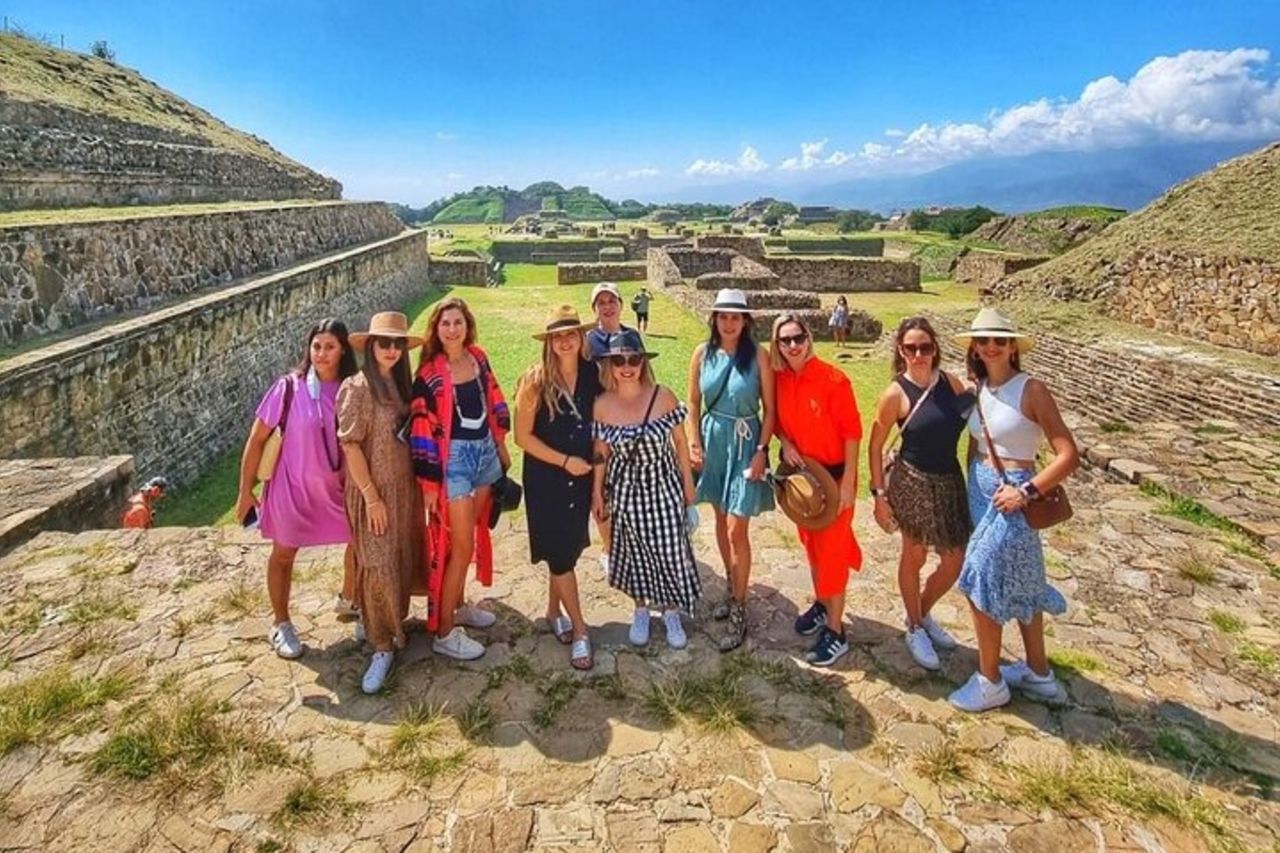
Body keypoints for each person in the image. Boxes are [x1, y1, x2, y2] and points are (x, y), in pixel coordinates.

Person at [948, 308, 1080, 712]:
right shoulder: (980, 387)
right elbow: (977, 445)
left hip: (1014, 494)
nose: (991, 347)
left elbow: (1068, 454)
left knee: (979, 578)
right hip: (981, 490)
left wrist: (1026, 492)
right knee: (1023, 578)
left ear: (1012, 347)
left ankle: (990, 680)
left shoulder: (1031, 390)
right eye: (983, 340)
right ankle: (1039, 673)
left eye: (999, 340)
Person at [236, 318, 358, 659]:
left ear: (343, 350)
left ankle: (350, 599)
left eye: (329, 346)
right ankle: (281, 622)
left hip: (336, 490)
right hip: (292, 489)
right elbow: (257, 439)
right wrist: (245, 491)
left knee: (360, 544)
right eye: (316, 346)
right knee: (284, 554)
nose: (321, 353)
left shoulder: (352, 388)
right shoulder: (289, 388)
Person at [867, 317, 975, 671]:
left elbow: (971, 416)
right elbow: (876, 443)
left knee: (954, 558)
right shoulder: (895, 394)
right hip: (912, 480)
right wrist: (879, 495)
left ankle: (922, 611)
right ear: (900, 350)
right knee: (913, 554)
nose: (918, 354)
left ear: (935, 349)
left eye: (924, 347)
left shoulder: (951, 383)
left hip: (948, 480)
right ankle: (914, 625)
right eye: (910, 348)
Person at [410, 297, 512, 661]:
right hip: (452, 463)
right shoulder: (429, 376)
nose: (452, 329)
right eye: (445, 323)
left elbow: (493, 400)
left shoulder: (478, 357)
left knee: (471, 535)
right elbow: (422, 430)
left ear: (467, 326)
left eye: (458, 322)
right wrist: (429, 484)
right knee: (459, 545)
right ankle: (443, 631)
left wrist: (500, 446)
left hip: (483, 454)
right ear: (436, 330)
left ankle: (458, 604)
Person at [591, 330, 699, 649]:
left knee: (669, 549)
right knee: (633, 552)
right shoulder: (602, 405)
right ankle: (640, 608)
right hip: (625, 490)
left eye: (633, 359)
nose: (627, 366)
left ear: (643, 362)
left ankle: (669, 610)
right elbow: (601, 453)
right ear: (610, 365)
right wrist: (598, 492)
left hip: (663, 485)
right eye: (619, 360)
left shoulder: (661, 396)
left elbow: (680, 443)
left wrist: (688, 488)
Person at [338, 311, 426, 694]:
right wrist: (372, 497)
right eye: (384, 342)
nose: (391, 350)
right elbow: (350, 445)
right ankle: (380, 644)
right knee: (377, 564)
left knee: (399, 558)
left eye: (397, 343)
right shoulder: (359, 388)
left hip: (405, 489)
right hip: (373, 490)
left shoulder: (400, 386)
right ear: (371, 346)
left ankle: (392, 625)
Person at [771, 314, 863, 667]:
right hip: (805, 484)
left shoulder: (833, 380)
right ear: (777, 345)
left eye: (798, 338)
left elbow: (852, 433)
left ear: (809, 339)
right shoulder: (781, 380)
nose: (793, 345)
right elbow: (779, 423)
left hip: (833, 481)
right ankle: (824, 605)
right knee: (813, 548)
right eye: (785, 340)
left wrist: (849, 484)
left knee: (833, 557)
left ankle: (837, 632)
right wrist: (786, 442)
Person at [687, 289, 775, 652]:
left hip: (745, 441)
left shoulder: (758, 356)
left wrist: (762, 451)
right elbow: (692, 401)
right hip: (715, 439)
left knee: (738, 526)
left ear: (745, 321)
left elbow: (770, 409)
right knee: (721, 522)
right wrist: (694, 441)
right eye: (723, 316)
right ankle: (731, 585)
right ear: (715, 319)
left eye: (735, 317)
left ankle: (739, 608)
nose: (729, 322)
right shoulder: (702, 354)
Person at [515, 305, 602, 670]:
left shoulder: (593, 375)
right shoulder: (535, 380)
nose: (565, 341)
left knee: (568, 549)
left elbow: (599, 434)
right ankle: (581, 630)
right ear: (549, 342)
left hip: (582, 477)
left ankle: (554, 611)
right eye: (558, 336)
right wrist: (565, 461)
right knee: (561, 554)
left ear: (580, 338)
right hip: (548, 478)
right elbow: (522, 437)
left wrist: (597, 487)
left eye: (571, 334)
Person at [585, 281, 634, 570]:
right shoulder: (588, 340)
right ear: (595, 308)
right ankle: (608, 547)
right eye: (601, 302)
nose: (607, 306)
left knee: (629, 484)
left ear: (620, 304)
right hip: (597, 419)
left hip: (627, 420)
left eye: (611, 300)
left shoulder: (632, 336)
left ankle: (628, 542)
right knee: (599, 486)